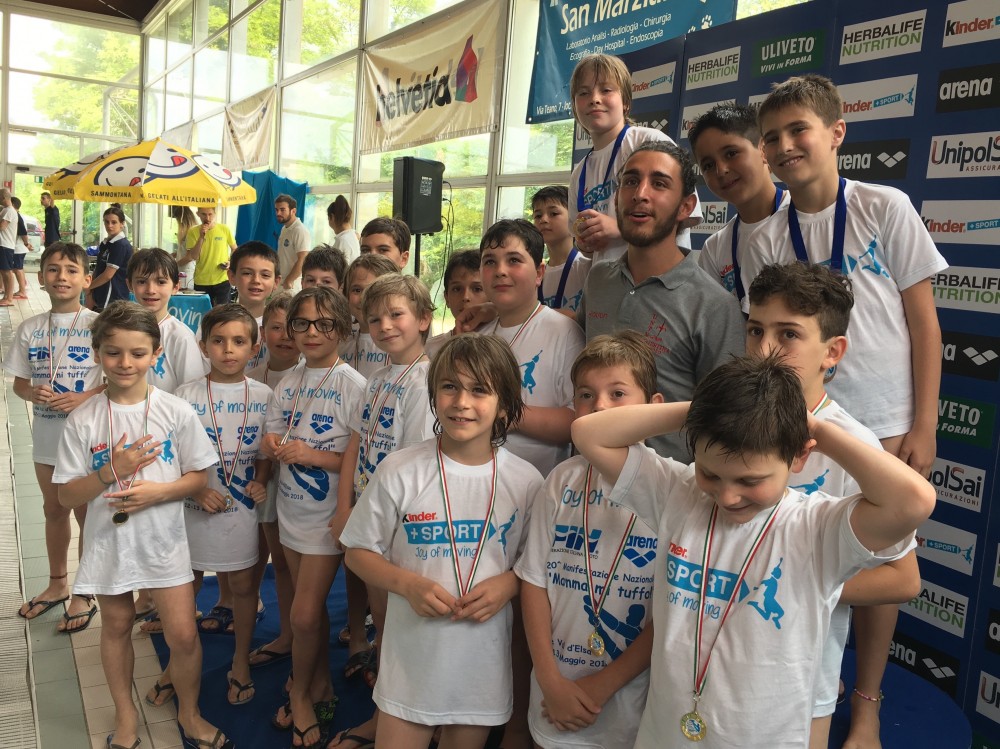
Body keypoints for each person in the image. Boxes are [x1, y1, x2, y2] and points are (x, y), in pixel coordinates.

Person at [571, 354, 936, 749]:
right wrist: (707, 411)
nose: (727, 496)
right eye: (710, 473)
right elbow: (588, 433)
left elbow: (914, 500)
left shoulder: (816, 529)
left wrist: (815, 428)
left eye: (750, 480)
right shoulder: (679, 494)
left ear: (799, 455)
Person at [745, 262, 920, 749]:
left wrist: (800, 583)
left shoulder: (854, 447)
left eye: (788, 334)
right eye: (755, 330)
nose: (764, 349)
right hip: (719, 658)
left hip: (800, 676)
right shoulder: (731, 422)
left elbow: (903, 579)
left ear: (832, 352)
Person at [340, 334, 544, 749]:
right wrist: (407, 584)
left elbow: (535, 567)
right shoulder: (399, 469)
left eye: (479, 390)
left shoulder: (526, 482)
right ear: (433, 395)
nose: (461, 402)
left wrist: (508, 584)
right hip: (410, 663)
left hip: (480, 667)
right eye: (450, 386)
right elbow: (357, 552)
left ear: (505, 405)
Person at [747, 73, 948, 479]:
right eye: (771, 137)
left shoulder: (885, 207)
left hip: (887, 420)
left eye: (798, 129)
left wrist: (926, 426)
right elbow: (762, 339)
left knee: (884, 521)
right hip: (803, 421)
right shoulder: (765, 239)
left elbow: (925, 325)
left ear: (836, 132)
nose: (784, 145)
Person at [53, 301, 231, 749]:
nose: (125, 363)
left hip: (164, 542)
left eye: (137, 353)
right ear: (97, 352)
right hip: (109, 541)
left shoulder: (175, 410)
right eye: (113, 352)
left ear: (156, 354)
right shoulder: (83, 419)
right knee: (115, 626)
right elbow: (66, 496)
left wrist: (160, 493)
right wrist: (110, 471)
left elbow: (199, 476)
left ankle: (189, 713)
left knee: (184, 635)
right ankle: (126, 715)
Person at [516, 331, 661, 749]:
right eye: (585, 395)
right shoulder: (562, 480)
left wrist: (603, 684)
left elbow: (670, 609)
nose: (599, 406)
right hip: (554, 693)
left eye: (618, 393)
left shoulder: (672, 486)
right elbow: (534, 582)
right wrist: (549, 680)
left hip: (629, 706)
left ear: (655, 407)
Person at [578, 141, 745, 461]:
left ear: (686, 206)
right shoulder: (598, 279)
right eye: (631, 181)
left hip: (667, 484)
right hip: (589, 475)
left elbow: (726, 418)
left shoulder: (713, 306)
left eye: (659, 183)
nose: (640, 193)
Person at [328, 273, 437, 748]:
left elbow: (415, 467)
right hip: (371, 522)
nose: (385, 325)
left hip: (399, 528)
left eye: (396, 315)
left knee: (401, 631)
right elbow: (356, 443)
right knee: (385, 624)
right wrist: (346, 507)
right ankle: (391, 712)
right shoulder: (376, 379)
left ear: (424, 319)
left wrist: (377, 523)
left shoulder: (426, 381)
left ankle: (402, 718)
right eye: (374, 319)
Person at [150, 304, 277, 709]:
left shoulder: (264, 395)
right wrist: (194, 492)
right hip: (190, 510)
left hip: (239, 510)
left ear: (254, 348)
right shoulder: (183, 396)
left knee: (243, 586)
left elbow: (265, 451)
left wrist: (260, 480)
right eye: (218, 341)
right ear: (203, 346)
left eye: (239, 341)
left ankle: (240, 661)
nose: (228, 350)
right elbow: (168, 457)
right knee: (184, 587)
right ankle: (177, 664)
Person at [262, 287, 366, 749]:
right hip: (291, 508)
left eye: (324, 324)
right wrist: (273, 446)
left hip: (327, 517)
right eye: (301, 323)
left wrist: (312, 455)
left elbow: (360, 458)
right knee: (312, 611)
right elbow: (272, 432)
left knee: (303, 616)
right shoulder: (289, 381)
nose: (311, 333)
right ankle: (320, 682)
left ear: (343, 330)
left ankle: (301, 694)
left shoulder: (353, 385)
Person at [7, 242, 104, 633]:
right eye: (53, 269)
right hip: (47, 437)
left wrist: (84, 397)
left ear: (87, 279)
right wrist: (31, 393)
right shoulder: (30, 328)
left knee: (87, 514)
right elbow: (19, 383)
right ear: (41, 277)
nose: (61, 276)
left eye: (71, 270)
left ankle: (85, 589)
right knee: (53, 510)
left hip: (88, 440)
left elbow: (121, 379)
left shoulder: (99, 325)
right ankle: (58, 583)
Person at [568, 54, 700, 259]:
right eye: (583, 93)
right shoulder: (579, 173)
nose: (594, 99)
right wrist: (584, 243)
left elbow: (687, 214)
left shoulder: (650, 142)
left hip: (661, 274)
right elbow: (580, 243)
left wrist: (619, 228)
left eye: (606, 90)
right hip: (609, 278)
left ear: (626, 102)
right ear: (575, 107)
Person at [480, 218, 584, 477]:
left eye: (514, 260)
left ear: (539, 273)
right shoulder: (479, 336)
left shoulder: (564, 332)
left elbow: (578, 418)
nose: (500, 270)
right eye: (490, 262)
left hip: (538, 485)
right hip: (480, 478)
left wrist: (510, 415)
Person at [247, 293, 301, 670]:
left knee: (301, 563)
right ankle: (287, 632)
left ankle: (305, 630)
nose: (285, 336)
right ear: (263, 332)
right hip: (265, 478)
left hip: (304, 482)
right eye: (276, 328)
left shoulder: (314, 375)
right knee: (279, 559)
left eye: (291, 327)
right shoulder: (251, 380)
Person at [688, 103, 790, 302]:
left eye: (731, 153)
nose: (721, 170)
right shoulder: (715, 248)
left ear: (763, 149)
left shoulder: (806, 217)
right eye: (708, 165)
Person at [126, 248, 208, 394]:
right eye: (142, 281)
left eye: (161, 282)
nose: (151, 290)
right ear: (130, 285)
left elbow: (193, 392)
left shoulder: (181, 337)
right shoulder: (122, 332)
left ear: (176, 287)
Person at [532, 185, 590, 314]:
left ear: (573, 218)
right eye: (538, 215)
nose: (543, 220)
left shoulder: (587, 267)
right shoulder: (534, 274)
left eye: (553, 214)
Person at [341, 253, 399, 378]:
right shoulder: (341, 344)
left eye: (373, 290)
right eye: (357, 290)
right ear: (346, 295)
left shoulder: (402, 342)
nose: (364, 298)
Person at [227, 241, 279, 372]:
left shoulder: (281, 326)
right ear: (232, 277)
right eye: (247, 273)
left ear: (276, 282)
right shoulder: (216, 323)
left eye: (265, 275)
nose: (256, 280)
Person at [425, 250, 486, 359]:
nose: (465, 297)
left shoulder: (502, 340)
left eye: (477, 289)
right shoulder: (431, 350)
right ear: (447, 298)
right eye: (457, 289)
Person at [178, 206, 237, 306]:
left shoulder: (224, 229)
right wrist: (201, 237)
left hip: (222, 279)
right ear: (198, 214)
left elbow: (235, 249)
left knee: (223, 312)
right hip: (201, 281)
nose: (207, 218)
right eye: (204, 214)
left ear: (215, 214)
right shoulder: (193, 232)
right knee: (203, 312)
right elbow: (194, 256)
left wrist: (231, 262)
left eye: (210, 214)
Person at [87, 204, 133, 311]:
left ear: (122, 224)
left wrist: (89, 287)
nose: (109, 225)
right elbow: (98, 268)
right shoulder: (106, 243)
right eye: (106, 222)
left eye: (114, 222)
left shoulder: (121, 245)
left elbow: (108, 275)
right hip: (101, 294)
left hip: (114, 297)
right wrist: (90, 290)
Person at [276, 194, 311, 292]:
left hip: (292, 285)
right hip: (281, 282)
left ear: (293, 211)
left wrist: (289, 280)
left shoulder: (300, 230)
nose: (278, 213)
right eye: (276, 210)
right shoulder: (284, 228)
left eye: (282, 210)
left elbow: (303, 259)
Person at [169, 205, 199, 290]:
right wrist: (175, 254)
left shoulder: (191, 233)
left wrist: (174, 264)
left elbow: (190, 257)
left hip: (187, 271)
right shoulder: (186, 233)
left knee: (185, 290)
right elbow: (185, 250)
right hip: (183, 270)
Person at [0, 187, 20, 306]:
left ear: (3, 197)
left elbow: (2, 227)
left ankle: (9, 298)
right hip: (3, 245)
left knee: (7, 272)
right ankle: (6, 296)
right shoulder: (5, 210)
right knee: (3, 271)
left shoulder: (10, 211)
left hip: (6, 245)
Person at [328, 195, 361, 263]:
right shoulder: (354, 235)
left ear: (332, 217)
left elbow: (340, 268)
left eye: (328, 218)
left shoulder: (343, 240)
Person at [11, 196, 32, 298]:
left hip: (18, 248)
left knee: (17, 269)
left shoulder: (17, 216)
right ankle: (22, 287)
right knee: (17, 268)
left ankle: (22, 291)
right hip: (18, 247)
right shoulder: (17, 215)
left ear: (12, 204)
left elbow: (23, 233)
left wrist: (26, 244)